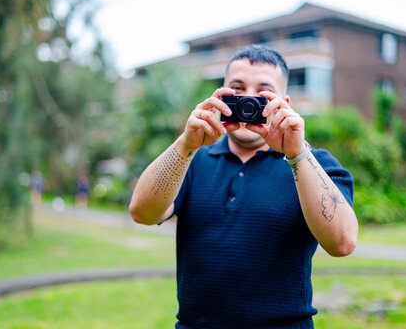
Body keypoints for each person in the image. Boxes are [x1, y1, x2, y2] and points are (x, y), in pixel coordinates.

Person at [129, 44, 358, 329]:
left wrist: (297, 154)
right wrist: (186, 142)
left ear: (284, 102)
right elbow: (142, 213)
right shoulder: (191, 159)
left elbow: (343, 243)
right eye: (237, 88)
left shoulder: (315, 164)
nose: (248, 100)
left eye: (263, 91)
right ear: (221, 95)